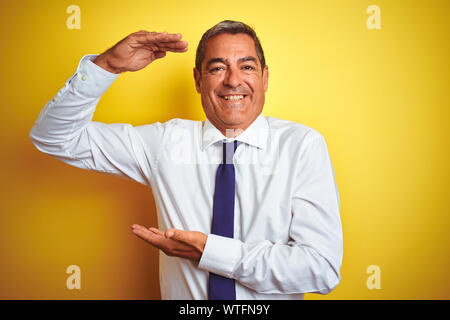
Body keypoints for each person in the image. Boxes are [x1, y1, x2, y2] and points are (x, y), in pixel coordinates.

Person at [30, 20, 343, 300]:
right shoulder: (165, 143)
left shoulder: (302, 146)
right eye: (218, 68)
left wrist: (211, 252)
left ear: (264, 77)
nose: (233, 80)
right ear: (198, 80)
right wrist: (107, 66)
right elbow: (55, 137)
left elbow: (322, 269)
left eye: (246, 67)